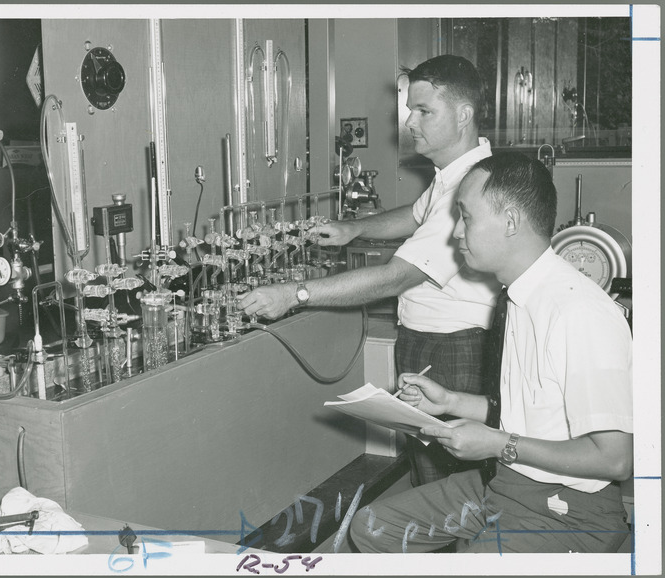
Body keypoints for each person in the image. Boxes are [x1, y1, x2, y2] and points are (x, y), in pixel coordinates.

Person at [348, 153, 633, 554]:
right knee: (371, 527)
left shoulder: (580, 312)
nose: (456, 234)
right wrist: (451, 402)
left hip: (568, 511)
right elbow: (536, 415)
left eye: (467, 218)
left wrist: (498, 443)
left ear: (511, 222)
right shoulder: (518, 296)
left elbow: (616, 459)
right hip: (502, 483)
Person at [238, 55, 502, 486]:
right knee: (429, 476)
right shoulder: (453, 175)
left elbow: (397, 276)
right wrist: (352, 229)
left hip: (455, 351)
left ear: (464, 115)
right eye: (410, 110)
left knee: (447, 487)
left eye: (423, 111)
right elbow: (415, 216)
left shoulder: (467, 186)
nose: (410, 122)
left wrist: (294, 293)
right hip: (429, 344)